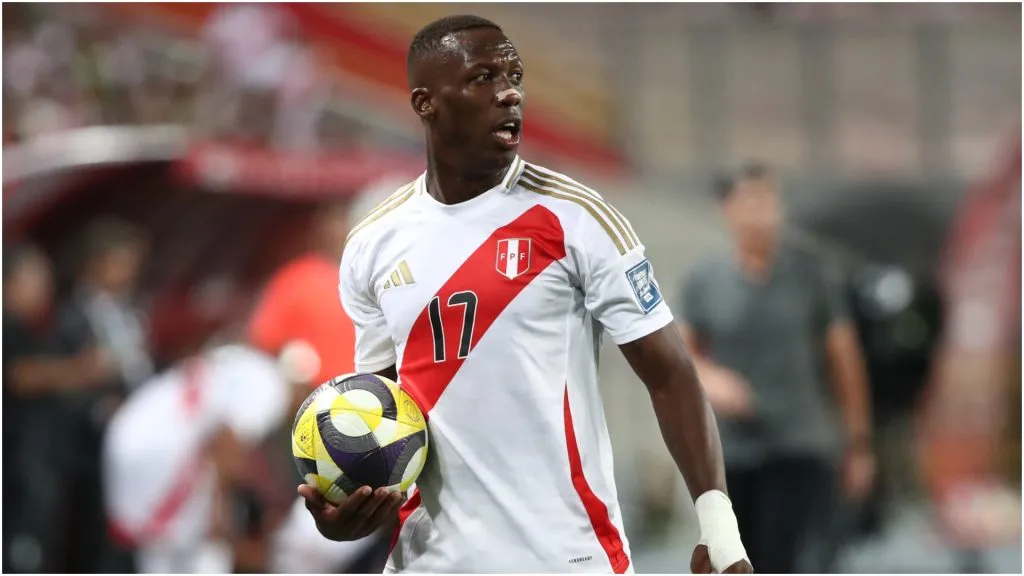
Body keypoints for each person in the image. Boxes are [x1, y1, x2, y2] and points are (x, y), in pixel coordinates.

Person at [297, 15, 752, 574]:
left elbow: (671, 373)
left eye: (514, 76)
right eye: (483, 77)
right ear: (425, 103)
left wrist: (719, 527)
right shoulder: (373, 243)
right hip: (429, 562)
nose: (509, 92)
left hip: (565, 557)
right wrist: (345, 511)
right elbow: (383, 415)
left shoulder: (577, 218)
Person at [677, 163, 875, 573]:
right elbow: (681, 357)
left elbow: (845, 362)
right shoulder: (705, 281)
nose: (762, 214)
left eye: (769, 201)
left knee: (794, 559)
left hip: (801, 445)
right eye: (750, 202)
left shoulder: (812, 276)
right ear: (727, 208)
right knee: (738, 559)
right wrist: (711, 379)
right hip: (733, 452)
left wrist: (858, 443)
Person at [2, 244, 113, 573]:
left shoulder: (31, 329)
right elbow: (20, 376)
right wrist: (82, 370)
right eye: (37, 278)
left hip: (38, 462)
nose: (45, 288)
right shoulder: (7, 326)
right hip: (16, 469)